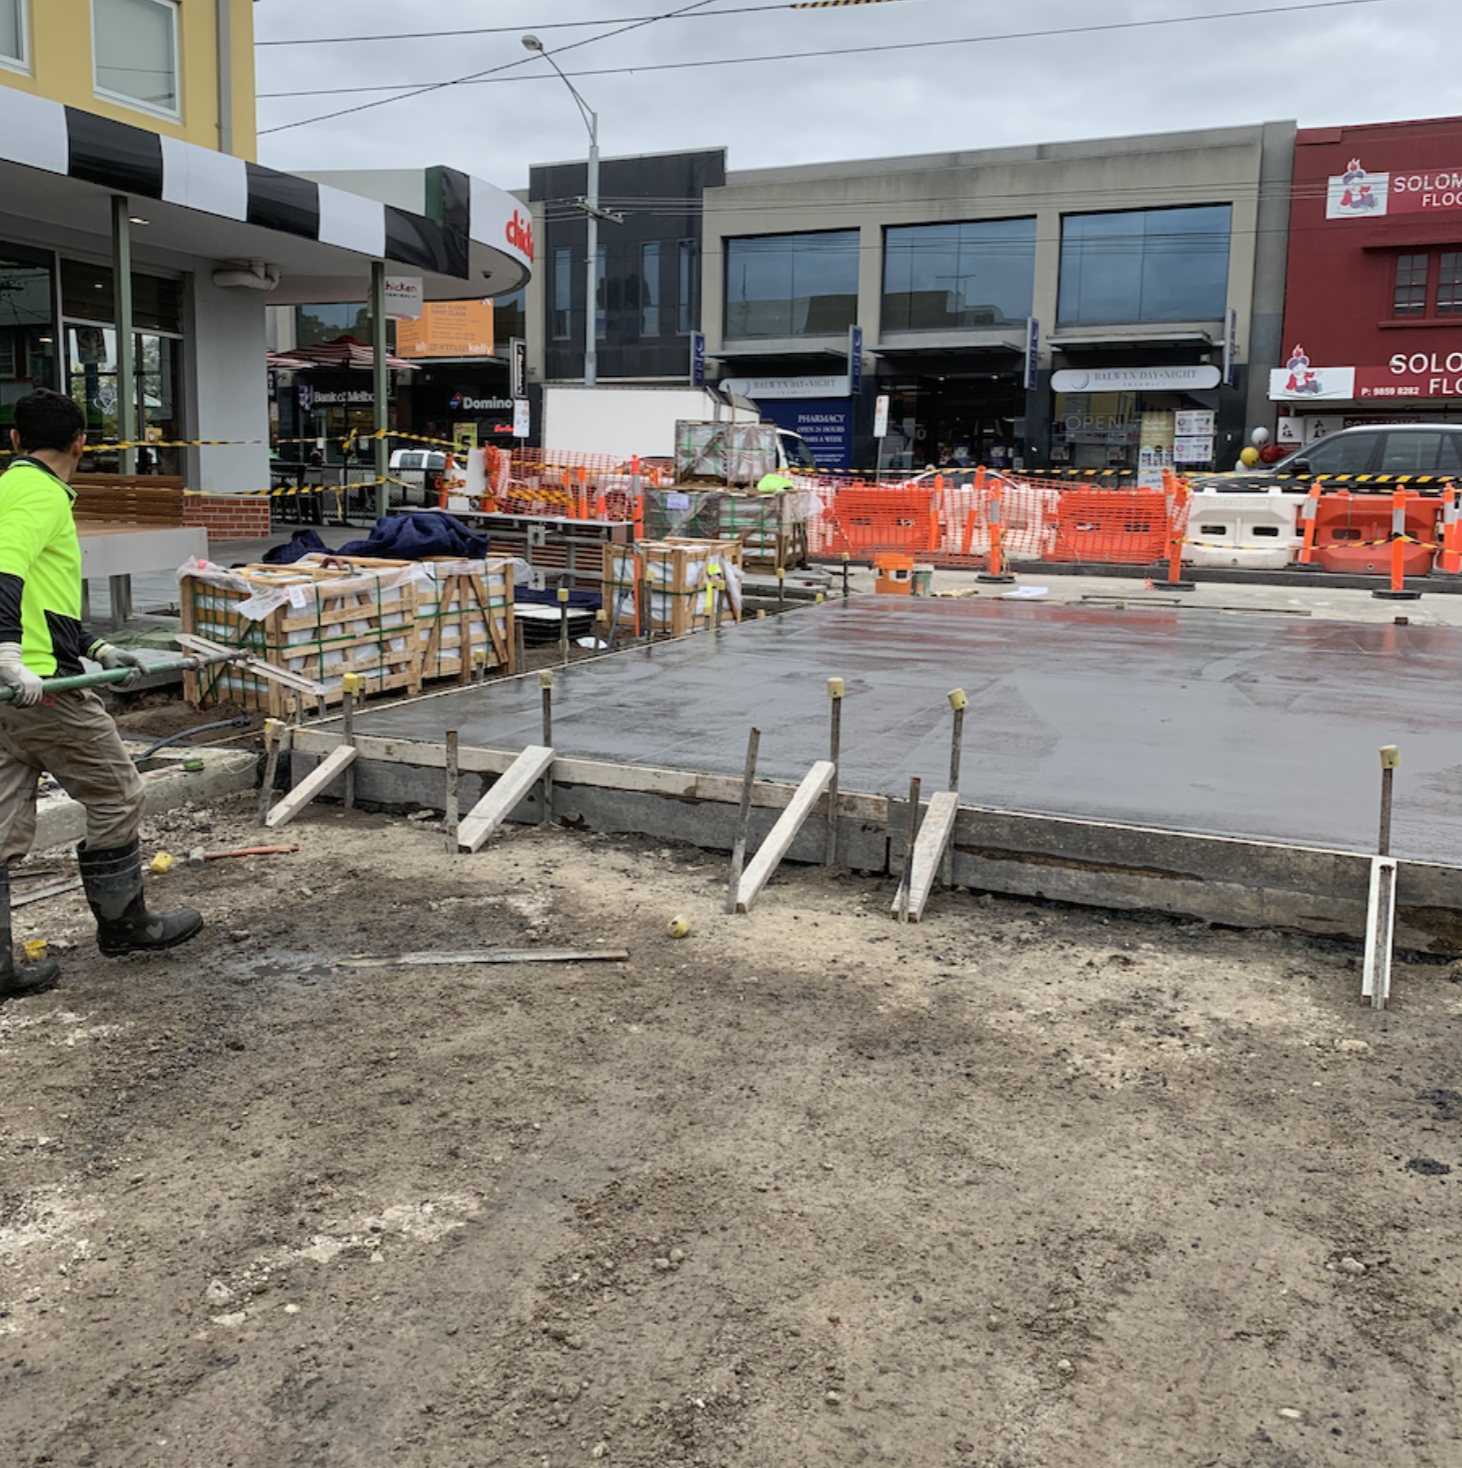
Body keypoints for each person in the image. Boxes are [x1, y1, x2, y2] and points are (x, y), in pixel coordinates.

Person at [0, 390, 201, 1004]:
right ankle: (126, 926)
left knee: (2, 822)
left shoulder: (13, 489)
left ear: (14, 440)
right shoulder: (34, 492)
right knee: (118, 794)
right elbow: (4, 568)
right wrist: (8, 651)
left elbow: (43, 593)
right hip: (40, 690)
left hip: (13, 689)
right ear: (82, 442)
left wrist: (97, 647)